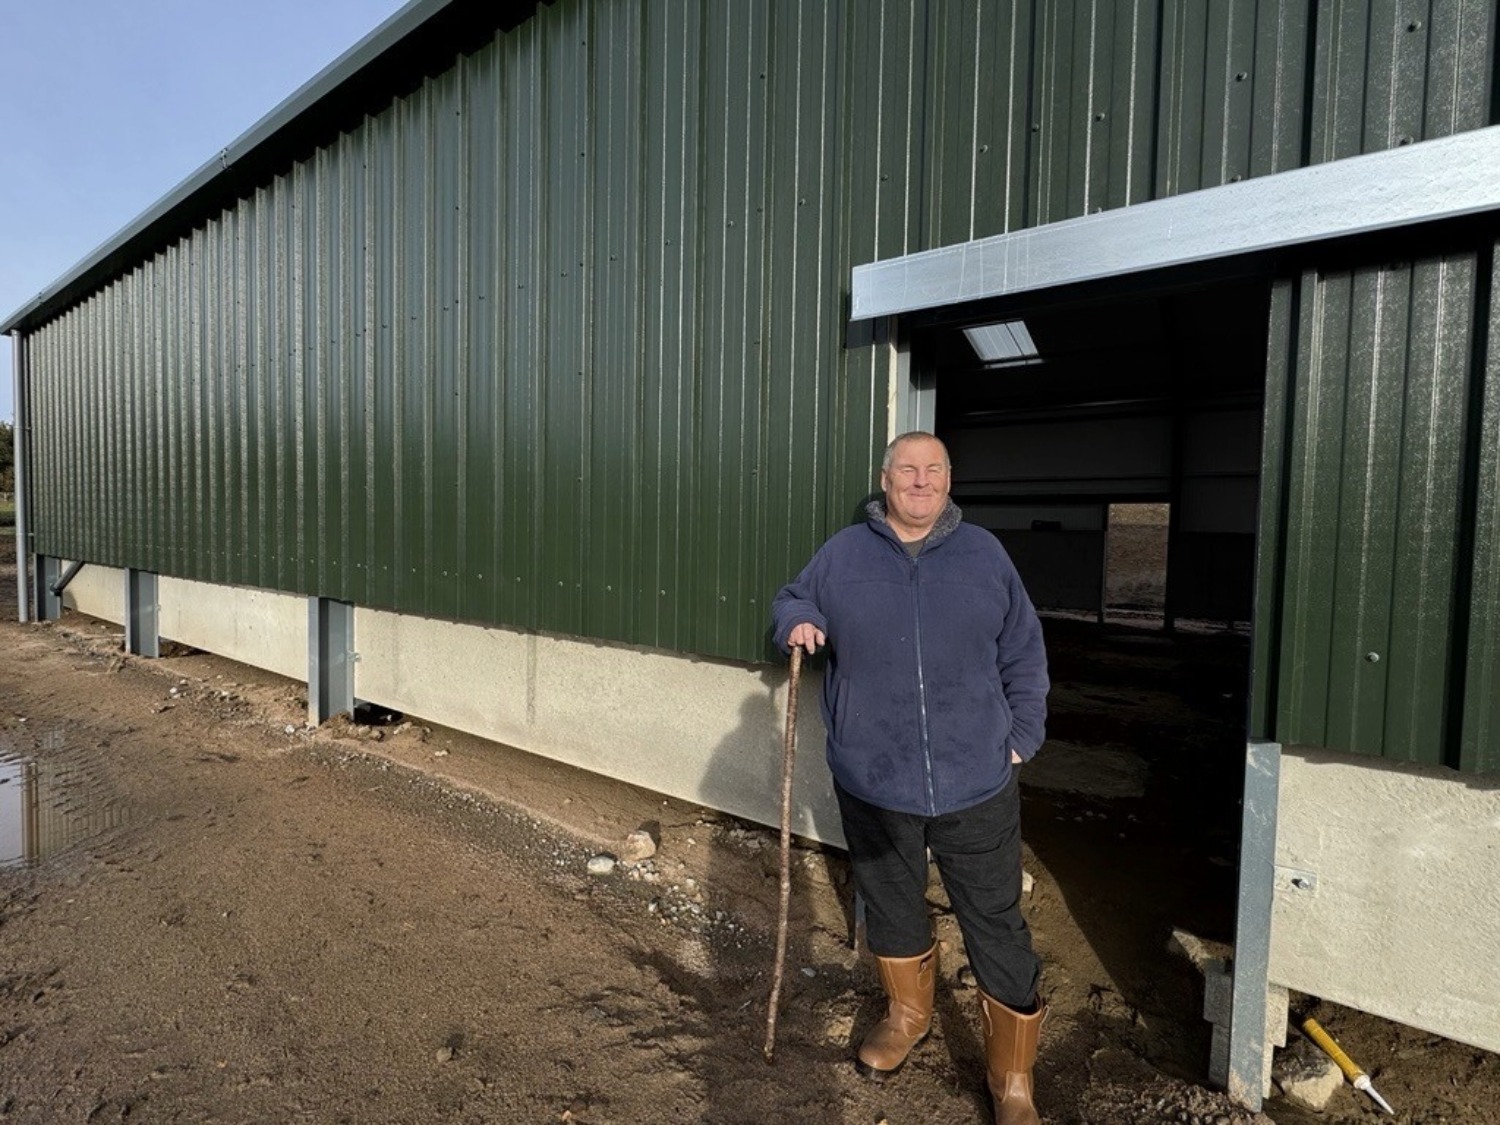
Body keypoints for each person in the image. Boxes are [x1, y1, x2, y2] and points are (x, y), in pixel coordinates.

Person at [771, 431, 1050, 1125]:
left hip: (976, 781)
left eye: (933, 470)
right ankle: (906, 1016)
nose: (920, 481)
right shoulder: (843, 553)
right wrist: (798, 619)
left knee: (995, 921)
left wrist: (1021, 736)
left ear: (949, 479)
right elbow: (792, 599)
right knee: (892, 902)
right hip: (874, 778)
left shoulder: (985, 554)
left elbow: (1024, 648)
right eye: (907, 470)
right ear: (885, 479)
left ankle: (1012, 1077)